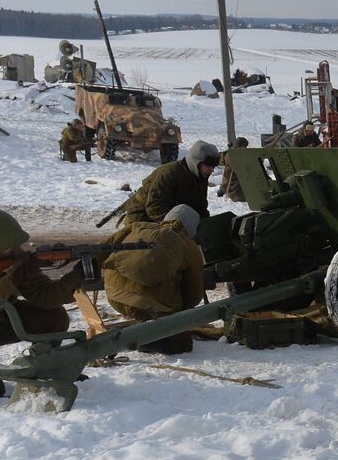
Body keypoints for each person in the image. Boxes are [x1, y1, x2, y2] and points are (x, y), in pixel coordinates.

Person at [0, 208, 84, 397]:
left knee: (53, 317)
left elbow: (43, 296)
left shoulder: (9, 251)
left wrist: (76, 278)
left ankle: (45, 368)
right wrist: (14, 275)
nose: (13, 252)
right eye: (7, 249)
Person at [102, 205, 205, 355]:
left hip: (114, 295)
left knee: (144, 310)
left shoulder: (137, 226)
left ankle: (133, 327)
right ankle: (126, 339)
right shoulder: (190, 247)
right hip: (149, 307)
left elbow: (103, 249)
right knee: (182, 344)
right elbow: (193, 294)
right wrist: (178, 318)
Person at [120, 140, 217, 227]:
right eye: (208, 165)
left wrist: (205, 227)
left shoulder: (200, 177)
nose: (211, 170)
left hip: (172, 219)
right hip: (142, 217)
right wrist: (176, 224)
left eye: (213, 166)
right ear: (196, 162)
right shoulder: (168, 173)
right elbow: (154, 207)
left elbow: (200, 208)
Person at [217, 136, 250, 202]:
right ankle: (225, 189)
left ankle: (224, 188)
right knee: (247, 197)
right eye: (244, 147)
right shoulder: (232, 155)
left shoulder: (234, 153)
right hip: (233, 187)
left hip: (231, 183)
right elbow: (241, 171)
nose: (246, 149)